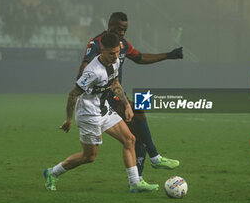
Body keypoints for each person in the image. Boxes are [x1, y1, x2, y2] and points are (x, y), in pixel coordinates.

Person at [44, 33, 158, 193]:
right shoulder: (92, 72)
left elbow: (115, 84)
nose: (115, 56)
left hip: (103, 109)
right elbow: (73, 94)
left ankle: (135, 183)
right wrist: (69, 119)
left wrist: (127, 105)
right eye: (112, 53)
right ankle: (52, 172)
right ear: (102, 50)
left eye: (118, 52)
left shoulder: (116, 61)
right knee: (89, 156)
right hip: (89, 115)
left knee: (130, 139)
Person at [78, 12, 182, 184]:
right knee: (139, 109)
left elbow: (140, 58)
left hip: (117, 91)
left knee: (137, 137)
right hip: (103, 96)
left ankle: (137, 181)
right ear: (109, 25)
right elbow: (84, 66)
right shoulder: (97, 43)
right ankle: (155, 157)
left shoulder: (123, 45)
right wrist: (90, 78)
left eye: (125, 29)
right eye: (119, 28)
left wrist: (168, 55)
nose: (122, 32)